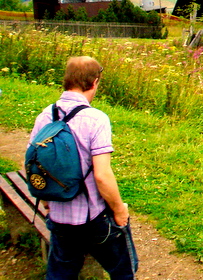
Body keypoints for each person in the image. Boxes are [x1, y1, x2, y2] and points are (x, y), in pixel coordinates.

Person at [29, 56, 137, 280]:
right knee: (122, 270)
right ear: (95, 82)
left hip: (59, 216)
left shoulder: (45, 116)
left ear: (67, 80)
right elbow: (102, 175)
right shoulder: (95, 119)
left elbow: (35, 163)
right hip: (92, 218)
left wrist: (48, 200)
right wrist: (119, 210)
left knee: (60, 273)